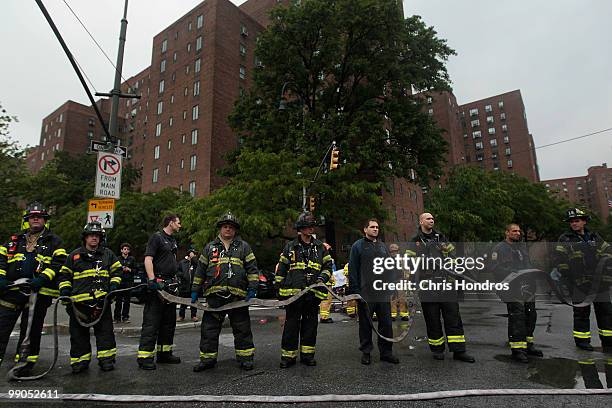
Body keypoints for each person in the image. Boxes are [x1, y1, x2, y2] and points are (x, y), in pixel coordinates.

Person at [0, 202, 67, 376]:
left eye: (39, 217)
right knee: (2, 325)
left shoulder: (54, 241)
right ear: (27, 220)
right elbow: (1, 259)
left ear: (45, 220)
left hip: (38, 293)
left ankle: (24, 364)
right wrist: (1, 278)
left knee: (31, 329)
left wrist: (42, 279)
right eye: (32, 217)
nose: (35, 219)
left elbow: (59, 263)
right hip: (11, 291)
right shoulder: (14, 240)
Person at [192, 212, 259, 371]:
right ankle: (208, 360)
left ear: (235, 230)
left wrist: (253, 287)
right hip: (215, 296)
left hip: (238, 296)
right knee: (209, 329)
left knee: (242, 328)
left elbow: (252, 269)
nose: (228, 229)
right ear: (221, 228)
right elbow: (200, 271)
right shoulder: (210, 247)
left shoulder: (244, 247)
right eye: (225, 227)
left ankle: (245, 358)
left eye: (231, 227)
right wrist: (195, 290)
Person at [406, 212, 475, 363]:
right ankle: (437, 350)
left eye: (432, 218)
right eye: (428, 219)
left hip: (446, 284)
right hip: (427, 286)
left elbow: (453, 257)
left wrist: (450, 272)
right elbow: (409, 263)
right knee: (432, 319)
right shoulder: (415, 241)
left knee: (453, 318)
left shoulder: (441, 238)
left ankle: (459, 351)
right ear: (421, 221)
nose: (431, 221)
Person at [58, 221, 122, 373]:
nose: (94, 238)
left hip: (102, 303)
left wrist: (113, 287)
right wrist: (65, 291)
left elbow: (117, 272)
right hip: (78, 305)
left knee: (105, 334)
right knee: (78, 336)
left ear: (101, 238)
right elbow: (64, 276)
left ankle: (106, 360)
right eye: (91, 235)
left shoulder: (108, 255)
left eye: (97, 236)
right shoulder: (74, 256)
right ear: (85, 238)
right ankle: (80, 362)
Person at [275, 212, 332, 368]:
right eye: (308, 226)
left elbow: (328, 267)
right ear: (300, 228)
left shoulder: (320, 247)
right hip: (294, 295)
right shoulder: (291, 247)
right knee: (291, 326)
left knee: (310, 326)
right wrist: (279, 289)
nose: (311, 228)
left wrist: (322, 279)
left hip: (312, 295)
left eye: (312, 226)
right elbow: (282, 269)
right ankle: (288, 357)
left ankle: (307, 356)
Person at [553, 208, 612, 351]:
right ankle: (582, 341)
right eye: (572, 222)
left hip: (599, 282)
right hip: (579, 282)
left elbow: (608, 251)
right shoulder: (565, 239)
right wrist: (568, 277)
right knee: (581, 313)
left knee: (606, 311)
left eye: (577, 221)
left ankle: (608, 340)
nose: (574, 224)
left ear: (584, 221)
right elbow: (560, 259)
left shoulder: (594, 237)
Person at [348, 218, 399, 365]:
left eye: (377, 227)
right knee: (365, 324)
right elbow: (353, 269)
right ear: (365, 229)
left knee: (386, 323)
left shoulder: (383, 247)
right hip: (366, 293)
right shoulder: (358, 246)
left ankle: (386, 352)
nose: (376, 229)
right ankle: (366, 352)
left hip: (382, 291)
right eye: (372, 227)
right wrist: (355, 291)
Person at [490, 223, 543, 363]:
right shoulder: (499, 248)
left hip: (526, 288)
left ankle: (528, 345)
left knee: (531, 315)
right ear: (506, 233)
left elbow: (528, 265)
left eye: (519, 231)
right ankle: (518, 350)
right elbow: (495, 268)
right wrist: (513, 274)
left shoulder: (521, 248)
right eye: (514, 231)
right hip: (511, 288)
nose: (518, 233)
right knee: (517, 317)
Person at [137, 214, 182, 370]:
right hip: (158, 286)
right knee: (152, 323)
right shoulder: (156, 238)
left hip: (170, 286)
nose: (180, 225)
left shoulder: (173, 240)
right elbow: (148, 258)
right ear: (170, 223)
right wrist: (152, 279)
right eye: (178, 223)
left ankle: (165, 354)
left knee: (168, 323)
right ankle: (145, 357)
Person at [114, 242, 136, 324]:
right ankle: (117, 317)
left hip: (128, 282)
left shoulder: (132, 259)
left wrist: (129, 269)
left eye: (127, 249)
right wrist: (121, 269)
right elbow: (114, 269)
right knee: (118, 300)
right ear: (121, 250)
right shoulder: (117, 259)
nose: (126, 251)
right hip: (120, 281)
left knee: (127, 301)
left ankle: (125, 317)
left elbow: (136, 270)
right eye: (124, 249)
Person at [177, 248, 199, 322]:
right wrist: (183, 275)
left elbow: (199, 267)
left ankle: (193, 315)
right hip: (184, 286)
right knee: (183, 302)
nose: (194, 255)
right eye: (193, 253)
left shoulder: (195, 263)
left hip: (193, 286)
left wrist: (193, 258)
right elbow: (177, 271)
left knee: (194, 301)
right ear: (189, 254)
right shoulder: (182, 262)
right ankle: (181, 316)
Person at [389, 243, 409, 321]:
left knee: (402, 298)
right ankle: (392, 315)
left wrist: (406, 279)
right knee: (392, 298)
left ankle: (404, 314)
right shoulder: (387, 260)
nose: (394, 253)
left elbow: (406, 270)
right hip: (391, 281)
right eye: (392, 251)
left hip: (400, 280)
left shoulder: (402, 260)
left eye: (396, 251)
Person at [319, 242, 335, 324]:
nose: (330, 247)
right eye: (328, 246)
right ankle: (324, 317)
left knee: (327, 300)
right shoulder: (323, 257)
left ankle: (324, 316)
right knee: (326, 300)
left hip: (327, 282)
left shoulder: (323, 257)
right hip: (326, 283)